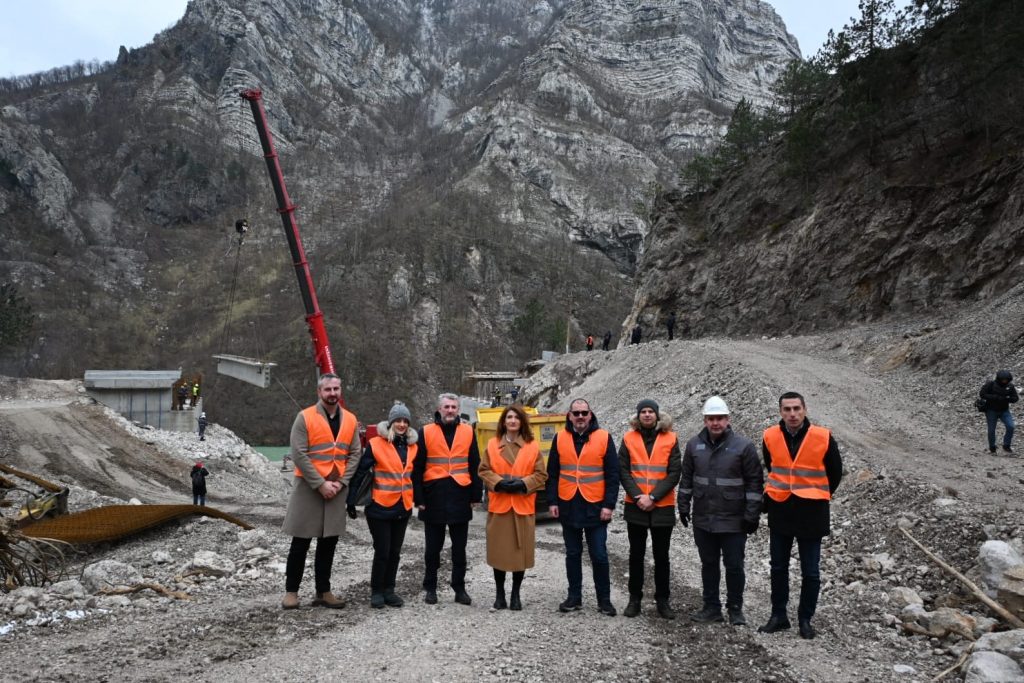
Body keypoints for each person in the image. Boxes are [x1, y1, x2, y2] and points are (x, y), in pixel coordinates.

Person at [759, 391, 843, 640]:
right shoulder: (770, 436)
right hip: (781, 509)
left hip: (812, 512)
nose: (792, 414)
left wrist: (817, 494)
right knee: (778, 567)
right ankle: (778, 616)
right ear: (780, 412)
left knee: (811, 572)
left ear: (804, 409)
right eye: (787, 409)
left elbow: (835, 473)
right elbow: (772, 467)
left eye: (796, 408)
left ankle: (805, 619)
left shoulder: (823, 436)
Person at [678, 396, 763, 626]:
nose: (715, 423)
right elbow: (687, 479)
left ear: (728, 419)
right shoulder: (693, 445)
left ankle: (735, 609)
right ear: (705, 420)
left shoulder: (743, 446)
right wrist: (683, 505)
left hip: (734, 520)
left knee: (734, 566)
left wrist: (752, 514)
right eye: (711, 418)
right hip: (703, 518)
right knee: (709, 564)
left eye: (720, 418)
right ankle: (711, 607)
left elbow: (755, 483)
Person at [280, 373, 360, 610]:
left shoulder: (350, 419)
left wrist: (341, 482)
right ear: (319, 392)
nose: (332, 393)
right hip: (308, 487)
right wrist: (320, 484)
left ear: (340, 390)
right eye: (328, 389)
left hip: (336, 488)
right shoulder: (304, 417)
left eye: (336, 389)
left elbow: (355, 453)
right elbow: (299, 454)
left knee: (329, 543)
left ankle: (323, 591)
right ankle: (291, 592)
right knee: (300, 542)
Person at [547, 398, 620, 616]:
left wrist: (609, 505)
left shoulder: (604, 437)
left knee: (599, 555)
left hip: (595, 507)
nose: (580, 417)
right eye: (576, 413)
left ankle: (604, 600)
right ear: (569, 415)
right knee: (572, 553)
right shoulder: (560, 438)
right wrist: (552, 501)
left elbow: (613, 475)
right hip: (568, 505)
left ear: (590, 414)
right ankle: (574, 597)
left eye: (584, 413)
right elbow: (552, 473)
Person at [347, 402, 418, 608]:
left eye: (405, 421)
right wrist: (351, 500)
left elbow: (416, 476)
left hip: (403, 506)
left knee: (395, 552)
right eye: (398, 420)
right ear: (391, 422)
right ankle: (377, 591)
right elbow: (361, 472)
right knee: (383, 551)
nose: (402, 424)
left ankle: (389, 590)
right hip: (379, 506)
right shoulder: (376, 444)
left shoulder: (413, 446)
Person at [413, 392, 483, 605]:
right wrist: (418, 497)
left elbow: (475, 463)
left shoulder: (468, 431)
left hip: (460, 495)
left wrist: (476, 495)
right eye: (447, 407)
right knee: (432, 549)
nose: (450, 410)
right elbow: (417, 467)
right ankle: (430, 587)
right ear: (439, 409)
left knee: (459, 549)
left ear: (458, 410)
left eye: (453, 407)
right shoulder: (425, 432)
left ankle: (459, 588)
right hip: (433, 496)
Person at [478, 405, 548, 610]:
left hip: (522, 506)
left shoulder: (532, 446)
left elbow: (541, 474)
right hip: (500, 506)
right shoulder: (492, 445)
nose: (512, 421)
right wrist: (498, 483)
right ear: (503, 421)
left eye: (516, 418)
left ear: (522, 422)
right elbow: (483, 470)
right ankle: (499, 594)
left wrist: (523, 484)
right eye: (509, 417)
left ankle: (515, 594)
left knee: (519, 554)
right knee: (499, 553)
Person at [619, 399, 681, 619]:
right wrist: (639, 496)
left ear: (657, 415)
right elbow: (623, 470)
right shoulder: (628, 438)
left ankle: (663, 600)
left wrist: (653, 497)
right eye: (643, 412)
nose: (647, 415)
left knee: (662, 556)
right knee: (636, 555)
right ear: (638, 416)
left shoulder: (671, 438)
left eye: (650, 411)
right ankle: (634, 599)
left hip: (662, 505)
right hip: (635, 504)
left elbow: (674, 472)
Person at [979, 370, 1018, 454]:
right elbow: (982, 394)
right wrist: (995, 397)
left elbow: (1015, 398)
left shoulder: (1010, 386)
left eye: (1006, 379)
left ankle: (1006, 446)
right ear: (999, 379)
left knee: (1011, 426)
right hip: (991, 411)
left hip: (1004, 411)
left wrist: (1007, 398)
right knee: (991, 430)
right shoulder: (991, 384)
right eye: (1003, 379)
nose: (1005, 381)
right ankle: (992, 448)